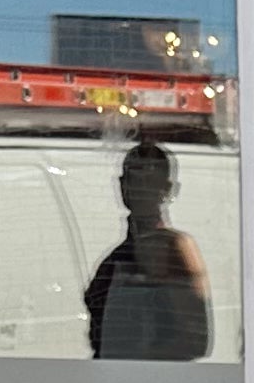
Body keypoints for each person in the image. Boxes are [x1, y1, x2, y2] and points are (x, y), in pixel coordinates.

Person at [83, 132, 213, 362]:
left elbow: (195, 340)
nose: (140, 190)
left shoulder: (175, 249)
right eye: (134, 180)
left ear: (168, 189)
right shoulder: (114, 261)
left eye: (149, 182)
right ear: (122, 186)